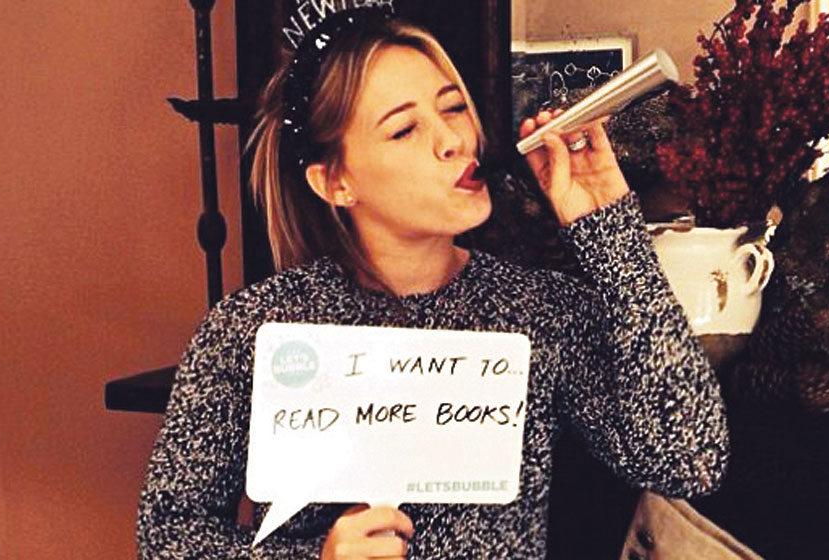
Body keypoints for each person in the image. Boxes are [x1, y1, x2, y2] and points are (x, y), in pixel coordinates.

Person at [137, 6, 728, 559]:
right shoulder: (252, 327)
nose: (453, 140)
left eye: (452, 108)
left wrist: (611, 228)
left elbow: (689, 460)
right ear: (335, 182)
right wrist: (314, 556)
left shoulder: (539, 310)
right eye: (404, 130)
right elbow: (167, 535)